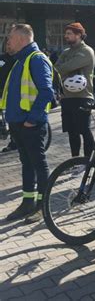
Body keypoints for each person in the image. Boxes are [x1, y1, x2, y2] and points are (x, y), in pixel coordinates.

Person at [1, 24, 54, 223]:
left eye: (11, 37)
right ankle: (27, 203)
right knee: (27, 164)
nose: (9, 41)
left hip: (30, 124)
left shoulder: (36, 59)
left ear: (22, 39)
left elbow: (47, 92)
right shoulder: (20, 61)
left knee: (38, 164)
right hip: (19, 124)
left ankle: (43, 207)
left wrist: (32, 120)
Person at [55, 22, 95, 158]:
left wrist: (63, 68)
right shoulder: (66, 52)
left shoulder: (86, 51)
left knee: (84, 130)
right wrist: (62, 68)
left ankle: (88, 160)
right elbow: (56, 69)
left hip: (83, 97)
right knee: (72, 131)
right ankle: (75, 160)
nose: (66, 36)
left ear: (79, 35)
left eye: (69, 33)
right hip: (67, 97)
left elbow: (64, 68)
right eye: (66, 33)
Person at [1, 46, 17, 152]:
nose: (8, 47)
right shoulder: (1, 57)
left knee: (12, 120)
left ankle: (14, 142)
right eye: (7, 45)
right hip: (1, 91)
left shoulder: (18, 59)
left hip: (11, 93)